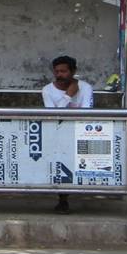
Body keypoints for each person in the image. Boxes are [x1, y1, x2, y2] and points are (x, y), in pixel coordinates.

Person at [41, 55, 94, 214]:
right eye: (56, 71)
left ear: (73, 71)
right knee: (59, 164)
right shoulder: (47, 90)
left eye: (63, 71)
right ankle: (62, 199)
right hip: (58, 134)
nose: (59, 75)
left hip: (82, 132)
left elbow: (87, 114)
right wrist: (68, 96)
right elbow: (53, 116)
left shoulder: (86, 88)